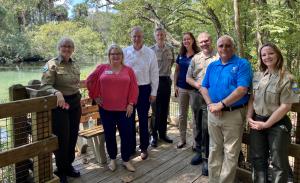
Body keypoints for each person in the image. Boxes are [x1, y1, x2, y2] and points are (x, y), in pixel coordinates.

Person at [200, 35, 252, 183]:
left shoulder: (242, 64)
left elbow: (242, 89)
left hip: (233, 114)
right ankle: (214, 180)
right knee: (214, 149)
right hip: (213, 113)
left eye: (228, 45)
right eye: (221, 46)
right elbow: (204, 87)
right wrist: (211, 105)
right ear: (217, 48)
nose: (224, 48)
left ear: (233, 47)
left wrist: (221, 104)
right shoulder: (212, 65)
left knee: (230, 152)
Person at [247, 43, 299, 183]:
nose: (267, 57)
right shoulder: (257, 76)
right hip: (257, 122)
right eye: (263, 54)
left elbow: (286, 106)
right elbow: (252, 98)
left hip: (277, 125)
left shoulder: (290, 79)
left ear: (278, 55)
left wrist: (266, 124)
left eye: (271, 53)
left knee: (278, 163)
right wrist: (248, 117)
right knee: (257, 159)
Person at [86, 44, 139, 172]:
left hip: (124, 110)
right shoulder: (102, 68)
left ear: (122, 56)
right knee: (109, 136)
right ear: (109, 56)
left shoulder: (128, 70)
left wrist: (131, 103)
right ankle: (113, 159)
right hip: (106, 110)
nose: (115, 56)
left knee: (126, 135)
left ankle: (126, 160)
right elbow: (89, 80)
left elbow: (134, 88)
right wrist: (95, 95)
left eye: (118, 54)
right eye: (112, 54)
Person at [40, 37, 81, 183]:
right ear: (59, 48)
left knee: (73, 136)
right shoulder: (51, 64)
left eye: (70, 46)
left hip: (75, 103)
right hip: (61, 105)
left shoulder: (75, 64)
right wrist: (56, 93)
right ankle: (61, 170)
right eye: (64, 46)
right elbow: (44, 85)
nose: (67, 48)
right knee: (62, 138)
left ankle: (69, 165)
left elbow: (76, 84)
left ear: (73, 49)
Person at [123, 26, 159, 160]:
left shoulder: (150, 53)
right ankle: (131, 147)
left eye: (139, 36)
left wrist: (154, 92)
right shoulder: (124, 52)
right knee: (129, 120)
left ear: (143, 37)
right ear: (131, 37)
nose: (137, 39)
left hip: (144, 90)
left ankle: (144, 147)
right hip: (128, 90)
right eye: (134, 36)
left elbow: (155, 74)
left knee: (143, 120)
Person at [186, 32, 218, 174]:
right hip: (197, 95)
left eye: (206, 41)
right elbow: (188, 77)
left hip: (211, 97)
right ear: (198, 44)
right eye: (201, 42)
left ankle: (206, 158)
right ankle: (198, 151)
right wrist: (198, 85)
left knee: (207, 127)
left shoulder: (218, 57)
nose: (204, 43)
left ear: (211, 41)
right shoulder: (195, 58)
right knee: (197, 124)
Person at [150, 27, 175, 147]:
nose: (160, 36)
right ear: (155, 36)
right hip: (155, 82)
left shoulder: (170, 49)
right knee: (155, 111)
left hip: (166, 81)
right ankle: (153, 136)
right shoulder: (151, 50)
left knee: (165, 110)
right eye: (158, 35)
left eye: (162, 34)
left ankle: (163, 134)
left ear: (165, 36)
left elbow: (172, 63)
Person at [174, 32, 200, 149]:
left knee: (195, 116)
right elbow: (177, 71)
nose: (186, 41)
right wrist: (175, 86)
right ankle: (182, 139)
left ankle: (195, 142)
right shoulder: (180, 55)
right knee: (182, 116)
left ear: (193, 40)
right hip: (182, 89)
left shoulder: (198, 55)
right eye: (184, 40)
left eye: (188, 39)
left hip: (194, 90)